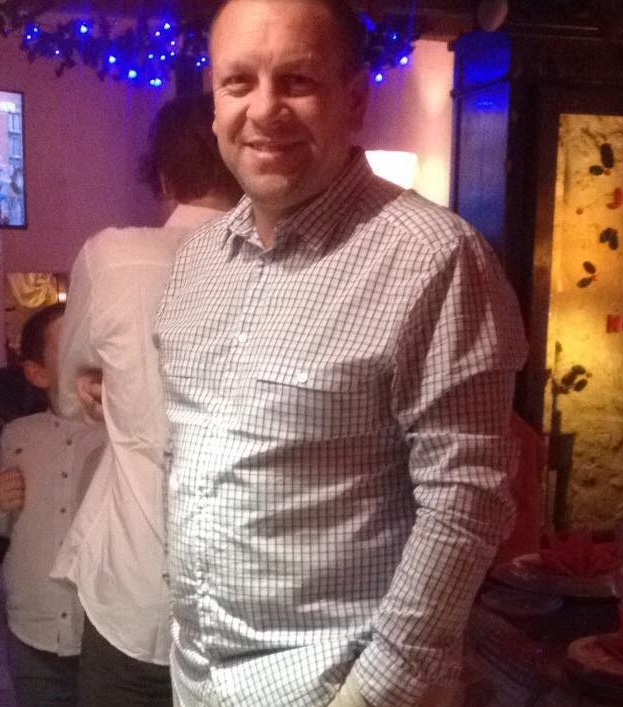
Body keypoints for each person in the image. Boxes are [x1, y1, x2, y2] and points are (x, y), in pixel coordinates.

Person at [154, 1, 528, 706]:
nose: (264, 110)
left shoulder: (435, 258)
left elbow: (465, 502)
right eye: (238, 82)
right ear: (215, 102)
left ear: (354, 100)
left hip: (332, 686)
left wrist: (371, 692)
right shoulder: (196, 263)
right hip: (197, 677)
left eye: (296, 80)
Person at [54, 93, 242, 707]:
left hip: (133, 592)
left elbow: (66, 395)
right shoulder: (297, 268)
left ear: (163, 177)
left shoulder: (112, 256)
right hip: (248, 603)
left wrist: (93, 388)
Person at [0, 303, 104, 707]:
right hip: (32, 631)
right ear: (37, 373)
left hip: (106, 635)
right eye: (71, 345)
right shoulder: (15, 436)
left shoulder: (124, 436)